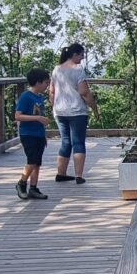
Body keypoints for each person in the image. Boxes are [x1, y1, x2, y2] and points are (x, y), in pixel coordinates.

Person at [50, 43, 99, 184]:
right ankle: (78, 175)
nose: (82, 58)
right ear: (74, 55)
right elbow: (84, 92)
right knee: (78, 142)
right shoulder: (78, 70)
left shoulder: (56, 69)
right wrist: (94, 108)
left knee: (65, 141)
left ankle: (61, 173)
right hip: (77, 111)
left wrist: (54, 106)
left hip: (60, 111)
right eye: (81, 55)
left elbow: (52, 92)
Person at [14, 68, 51, 200]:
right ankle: (22, 183)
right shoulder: (26, 97)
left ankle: (33, 188)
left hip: (39, 134)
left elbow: (40, 116)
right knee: (32, 160)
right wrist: (37, 118)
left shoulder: (39, 98)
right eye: (46, 82)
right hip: (28, 134)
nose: (47, 85)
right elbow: (18, 116)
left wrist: (44, 134)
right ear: (37, 82)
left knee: (37, 163)